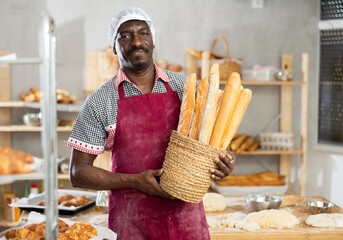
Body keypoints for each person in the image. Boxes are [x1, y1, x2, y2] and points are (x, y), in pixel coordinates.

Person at [67, 7, 236, 240]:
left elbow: (210, 145)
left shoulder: (187, 89)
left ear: (153, 41)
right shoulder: (100, 100)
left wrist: (221, 164)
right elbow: (78, 173)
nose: (136, 41)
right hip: (131, 223)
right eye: (124, 36)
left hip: (186, 222)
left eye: (143, 33)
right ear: (113, 47)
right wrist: (133, 181)